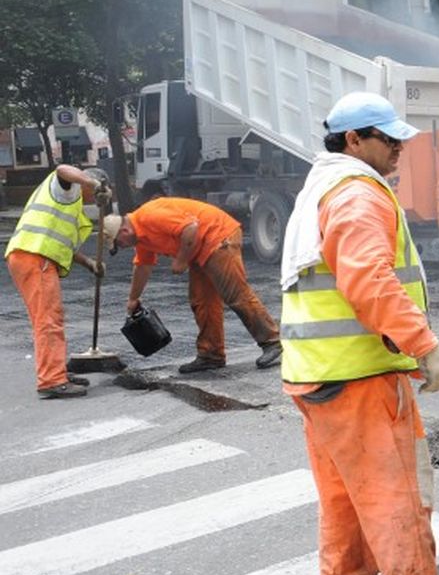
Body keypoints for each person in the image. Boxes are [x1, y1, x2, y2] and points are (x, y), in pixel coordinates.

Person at [279, 91, 439, 575]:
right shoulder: (357, 194)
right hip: (361, 379)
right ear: (354, 141)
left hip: (317, 377)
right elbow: (368, 280)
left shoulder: (322, 187)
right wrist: (425, 346)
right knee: (395, 498)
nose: (399, 147)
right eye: (386, 138)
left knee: (345, 498)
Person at [104, 197, 281, 373]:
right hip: (200, 248)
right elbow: (143, 266)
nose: (122, 247)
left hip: (218, 236)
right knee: (202, 301)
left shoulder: (149, 216)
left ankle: (273, 342)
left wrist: (181, 260)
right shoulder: (141, 238)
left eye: (119, 244)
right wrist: (133, 299)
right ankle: (211, 355)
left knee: (235, 294)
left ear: (124, 231)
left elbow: (191, 228)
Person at [5, 165, 109, 399]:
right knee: (48, 320)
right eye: (99, 193)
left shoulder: (72, 208)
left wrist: (90, 263)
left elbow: (62, 246)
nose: (98, 199)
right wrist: (93, 184)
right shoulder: (68, 189)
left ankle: (56, 371)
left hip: (31, 257)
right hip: (35, 257)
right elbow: (62, 169)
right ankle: (52, 379)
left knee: (50, 318)